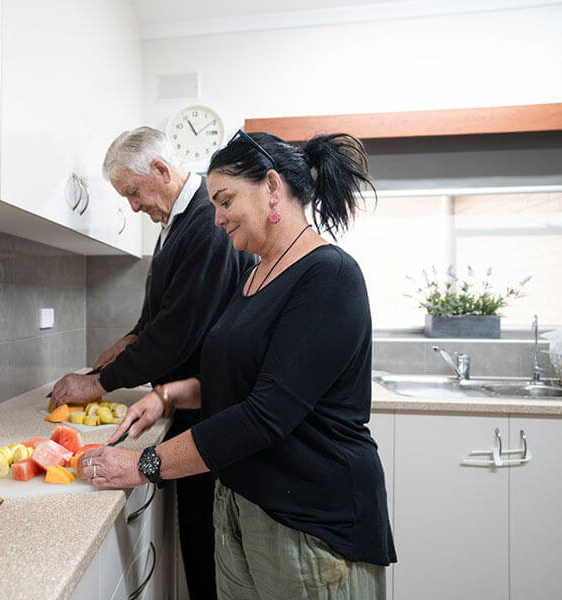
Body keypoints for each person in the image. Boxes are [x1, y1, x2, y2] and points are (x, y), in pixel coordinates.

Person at [76, 130, 397, 599]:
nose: (218, 218)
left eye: (225, 201)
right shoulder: (254, 276)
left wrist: (144, 463)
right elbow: (234, 381)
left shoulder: (329, 277)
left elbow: (264, 413)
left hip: (310, 523)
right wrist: (166, 394)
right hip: (243, 503)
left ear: (271, 186)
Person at [51, 126, 256, 600]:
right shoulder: (178, 224)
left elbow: (177, 332)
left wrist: (99, 383)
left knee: (206, 546)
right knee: (199, 540)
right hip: (187, 402)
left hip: (209, 409)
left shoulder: (205, 222)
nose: (133, 206)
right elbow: (160, 316)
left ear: (161, 171)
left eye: (132, 192)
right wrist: (126, 341)